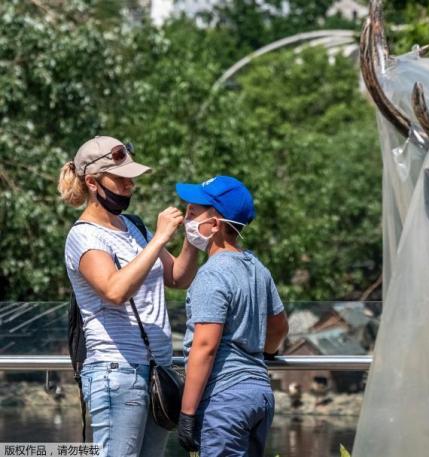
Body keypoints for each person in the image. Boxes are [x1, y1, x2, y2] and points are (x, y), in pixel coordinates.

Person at [58, 136, 199, 456]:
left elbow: (177, 277)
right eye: (120, 179)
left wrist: (191, 239)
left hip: (155, 370)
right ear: (93, 182)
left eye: (131, 178)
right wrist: (160, 237)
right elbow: (115, 290)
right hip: (116, 372)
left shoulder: (133, 226)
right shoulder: (84, 236)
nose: (129, 185)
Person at [175, 175, 289, 456]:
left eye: (192, 213)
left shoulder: (211, 274)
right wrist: (262, 352)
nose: (185, 220)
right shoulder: (257, 268)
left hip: (223, 398)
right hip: (259, 394)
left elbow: (206, 345)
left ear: (214, 225)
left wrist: (187, 414)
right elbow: (279, 327)